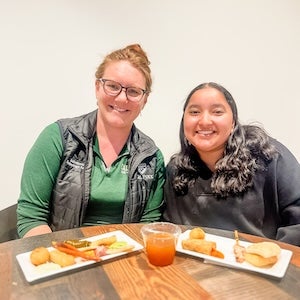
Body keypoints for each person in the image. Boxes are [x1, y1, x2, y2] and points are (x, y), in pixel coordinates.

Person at [17, 44, 165, 238]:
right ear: (97, 87)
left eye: (134, 91)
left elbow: (148, 227)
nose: (121, 98)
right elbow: (31, 217)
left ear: (144, 100)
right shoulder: (58, 137)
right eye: (112, 86)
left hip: (124, 258)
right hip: (63, 255)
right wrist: (68, 259)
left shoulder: (152, 157)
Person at [163, 82, 300, 246]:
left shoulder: (268, 156)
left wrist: (276, 256)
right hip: (192, 266)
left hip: (263, 266)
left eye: (217, 112)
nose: (205, 120)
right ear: (184, 120)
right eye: (194, 112)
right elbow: (169, 229)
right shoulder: (176, 170)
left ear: (233, 122)